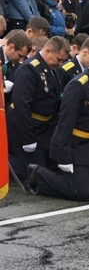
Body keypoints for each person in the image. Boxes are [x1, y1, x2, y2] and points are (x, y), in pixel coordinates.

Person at [23, 54, 89, 201]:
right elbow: (65, 123)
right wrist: (64, 157)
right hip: (74, 143)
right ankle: (38, 173)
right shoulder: (78, 85)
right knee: (79, 192)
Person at [8, 37, 70, 180]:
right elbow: (21, 105)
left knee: (49, 168)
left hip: (43, 128)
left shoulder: (51, 68)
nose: (60, 64)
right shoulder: (29, 68)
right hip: (26, 127)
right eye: (59, 59)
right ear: (48, 51)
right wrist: (28, 138)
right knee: (33, 173)